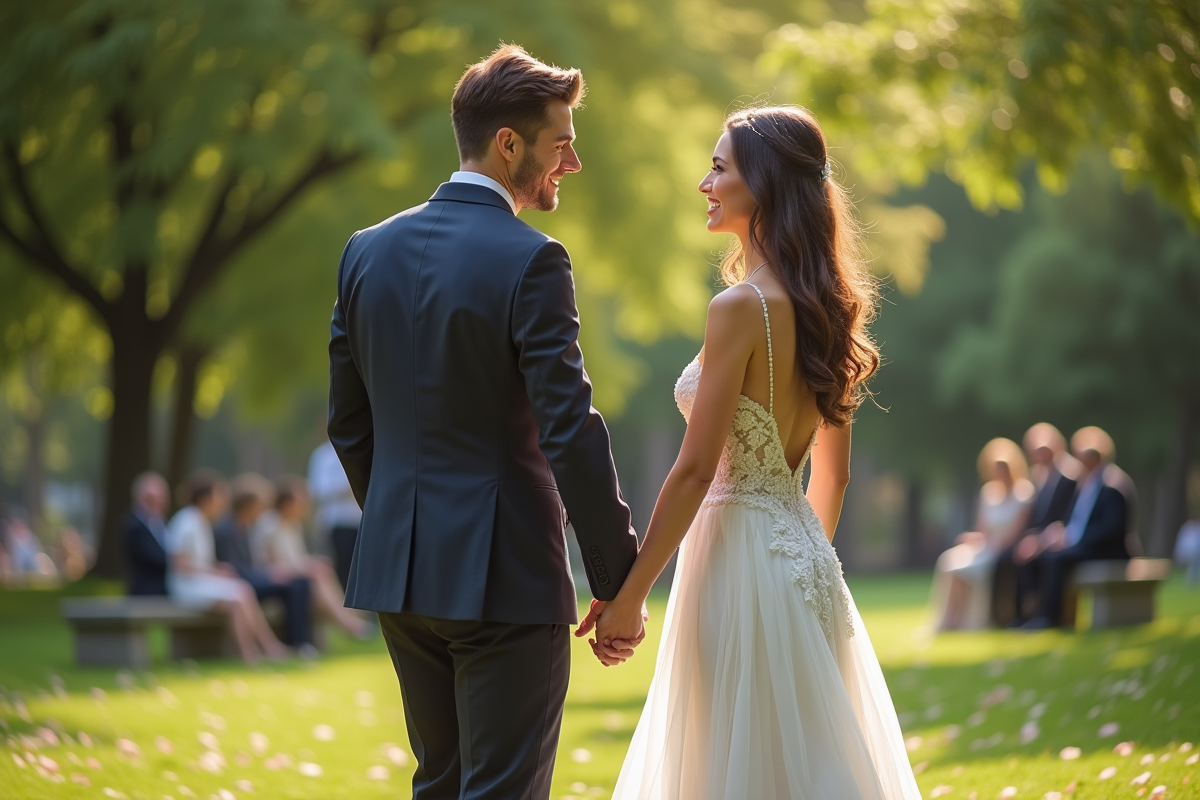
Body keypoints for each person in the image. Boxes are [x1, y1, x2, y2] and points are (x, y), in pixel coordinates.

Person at [327, 45, 640, 799]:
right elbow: (569, 429)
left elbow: (348, 424)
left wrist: (405, 523)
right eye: (561, 142)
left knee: (438, 784)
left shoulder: (364, 252)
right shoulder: (534, 260)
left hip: (403, 579)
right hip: (506, 577)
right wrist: (616, 577)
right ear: (509, 144)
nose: (572, 162)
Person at [587, 106, 921, 799]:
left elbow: (694, 470)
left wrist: (630, 597)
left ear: (762, 184)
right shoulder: (830, 310)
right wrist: (800, 570)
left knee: (727, 765)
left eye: (718, 168)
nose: (704, 183)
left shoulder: (739, 308)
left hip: (736, 559)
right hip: (804, 563)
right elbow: (833, 476)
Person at [165, 470, 290, 663]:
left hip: (201, 582)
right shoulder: (186, 521)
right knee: (238, 599)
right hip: (186, 586)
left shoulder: (200, 521)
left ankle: (267, 647)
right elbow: (181, 565)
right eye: (219, 495)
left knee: (244, 590)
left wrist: (217, 569)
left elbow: (198, 561)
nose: (223, 501)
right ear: (206, 498)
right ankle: (249, 655)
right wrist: (214, 571)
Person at [1019, 426, 1132, 629]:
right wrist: (1061, 534)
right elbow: (1075, 521)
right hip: (1086, 544)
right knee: (1041, 556)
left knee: (1057, 559)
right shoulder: (1086, 485)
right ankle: (1033, 613)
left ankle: (1049, 618)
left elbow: (1112, 529)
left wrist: (1074, 538)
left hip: (1107, 549)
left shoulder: (1113, 485)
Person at [930, 437, 1035, 630]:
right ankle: (950, 618)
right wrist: (972, 538)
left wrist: (990, 542)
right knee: (949, 561)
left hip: (1001, 549)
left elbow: (1014, 534)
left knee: (962, 568)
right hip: (985, 546)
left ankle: (969, 620)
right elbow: (983, 530)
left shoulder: (1024, 494)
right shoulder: (988, 492)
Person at [253, 475, 369, 638]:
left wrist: (312, 562)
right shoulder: (269, 525)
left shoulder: (293, 525)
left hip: (292, 574)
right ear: (288, 503)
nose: (305, 506)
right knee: (319, 576)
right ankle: (350, 622)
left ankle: (348, 621)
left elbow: (296, 558)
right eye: (301, 502)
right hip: (272, 576)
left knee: (322, 572)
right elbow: (275, 564)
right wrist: (309, 566)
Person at [212, 473, 316, 651]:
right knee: (293, 586)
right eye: (260, 506)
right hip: (240, 582)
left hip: (252, 578)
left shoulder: (245, 527)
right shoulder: (226, 529)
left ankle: (299, 641)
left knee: (301, 584)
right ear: (248, 505)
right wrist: (267, 577)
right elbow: (234, 568)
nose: (263, 510)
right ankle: (295, 642)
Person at [991, 423, 1079, 626]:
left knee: (1042, 558)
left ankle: (1043, 616)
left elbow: (1067, 516)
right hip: (1039, 538)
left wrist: (1040, 540)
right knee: (1012, 555)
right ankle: (1018, 615)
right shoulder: (1038, 477)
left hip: (1058, 537)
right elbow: (1036, 517)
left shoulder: (1070, 477)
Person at [307, 438, 361, 590]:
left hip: (362, 518)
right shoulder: (323, 455)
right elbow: (318, 489)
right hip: (338, 520)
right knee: (343, 565)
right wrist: (345, 488)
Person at [123, 471, 171, 596]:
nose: (156, 502)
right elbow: (156, 559)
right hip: (148, 592)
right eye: (150, 499)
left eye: (160, 497)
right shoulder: (133, 526)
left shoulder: (160, 523)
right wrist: (181, 561)